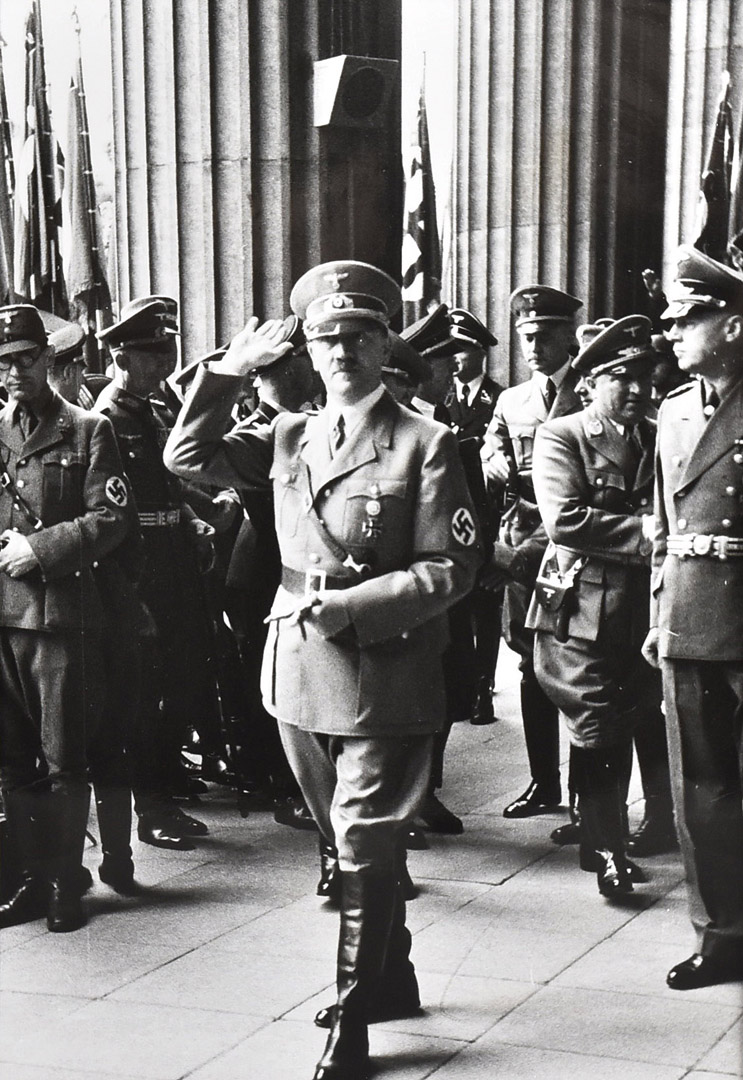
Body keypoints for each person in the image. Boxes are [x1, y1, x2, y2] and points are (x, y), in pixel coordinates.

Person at [164, 260, 481, 1080]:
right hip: (297, 664)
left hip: (384, 664)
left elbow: (450, 569)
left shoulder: (428, 441)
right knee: (348, 842)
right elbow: (183, 455)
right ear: (307, 349)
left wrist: (352, 606)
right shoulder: (286, 435)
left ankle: (353, 1014)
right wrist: (225, 373)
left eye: (356, 336)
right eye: (324, 338)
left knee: (363, 841)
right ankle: (395, 970)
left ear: (384, 346)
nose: (339, 350)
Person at [0, 304, 130, 932]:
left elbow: (111, 520)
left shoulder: (87, 429)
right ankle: (31, 877)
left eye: (25, 358)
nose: (14, 372)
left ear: (47, 358)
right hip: (2, 617)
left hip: (58, 619)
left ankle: (65, 884)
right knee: (12, 761)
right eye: (4, 363)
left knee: (62, 761)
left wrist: (40, 549)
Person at [528, 315, 660, 896]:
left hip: (642, 608)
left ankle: (593, 833)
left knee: (621, 716)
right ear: (590, 382)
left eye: (644, 377)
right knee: (597, 719)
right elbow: (564, 520)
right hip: (579, 607)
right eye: (620, 377)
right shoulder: (564, 436)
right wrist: (648, 532)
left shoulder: (658, 435)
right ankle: (609, 850)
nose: (636, 389)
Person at [642, 245, 743, 990]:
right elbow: (661, 524)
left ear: (733, 325)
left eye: (689, 319)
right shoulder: (673, 410)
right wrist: (657, 610)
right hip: (689, 617)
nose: (671, 333)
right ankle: (721, 934)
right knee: (698, 786)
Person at [96, 296, 216, 850]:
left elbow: (170, 484)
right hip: (139, 567)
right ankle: (152, 805)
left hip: (176, 559)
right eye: (151, 353)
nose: (164, 361)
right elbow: (112, 510)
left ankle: (169, 778)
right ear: (121, 354)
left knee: (186, 675)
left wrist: (193, 520)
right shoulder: (108, 418)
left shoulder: (160, 408)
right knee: (144, 690)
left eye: (167, 349)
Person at [46, 315, 144, 894]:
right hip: (42, 611)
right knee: (62, 748)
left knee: (109, 738)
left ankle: (118, 857)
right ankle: (66, 865)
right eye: (67, 366)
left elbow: (116, 520)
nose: (73, 375)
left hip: (101, 605)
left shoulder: (92, 427)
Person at [481, 285, 583, 818]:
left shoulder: (594, 393)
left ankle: (591, 800)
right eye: (526, 337)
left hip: (577, 548)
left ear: (570, 333)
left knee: (586, 668)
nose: (534, 346)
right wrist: (491, 458)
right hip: (523, 539)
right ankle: (544, 783)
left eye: (544, 335)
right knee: (529, 665)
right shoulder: (511, 400)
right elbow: (490, 444)